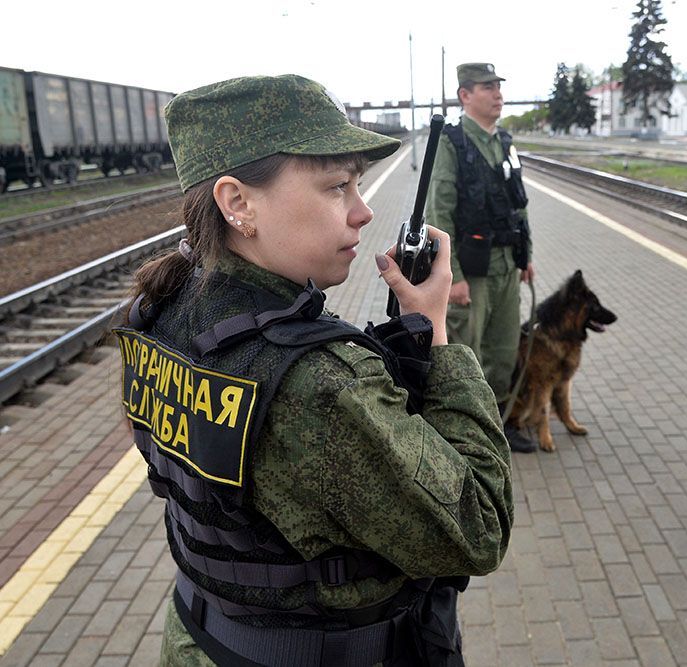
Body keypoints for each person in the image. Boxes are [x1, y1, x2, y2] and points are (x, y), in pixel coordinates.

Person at [114, 74, 513, 666]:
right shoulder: (321, 385)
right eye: (336, 187)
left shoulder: (159, 312)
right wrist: (436, 338)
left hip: (202, 637)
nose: (363, 210)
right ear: (237, 203)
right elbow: (479, 526)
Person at [425, 62, 536, 453]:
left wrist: (527, 255)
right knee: (466, 354)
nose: (497, 94)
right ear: (465, 95)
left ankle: (501, 425)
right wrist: (451, 275)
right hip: (472, 270)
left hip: (507, 267)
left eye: (498, 86)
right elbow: (439, 210)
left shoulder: (503, 142)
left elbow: (518, 204)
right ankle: (465, 435)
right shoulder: (451, 143)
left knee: (504, 351)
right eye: (487, 87)